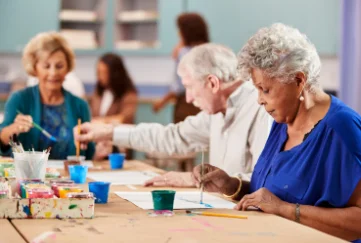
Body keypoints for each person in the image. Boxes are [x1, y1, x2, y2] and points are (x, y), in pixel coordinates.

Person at [192, 23, 361, 242]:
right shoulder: (283, 120)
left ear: (299, 81)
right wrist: (231, 186)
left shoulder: (342, 128)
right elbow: (271, 194)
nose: (259, 100)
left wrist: (286, 210)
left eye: (266, 89)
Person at [74, 43, 270, 186]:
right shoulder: (217, 112)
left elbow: (264, 181)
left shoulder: (261, 110)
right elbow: (172, 137)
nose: (188, 98)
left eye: (189, 87)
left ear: (212, 83)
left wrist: (195, 179)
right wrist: (109, 132)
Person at [0, 32, 95, 160]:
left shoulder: (80, 105)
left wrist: (98, 146)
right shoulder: (19, 100)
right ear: (35, 68)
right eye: (46, 66)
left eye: (59, 66)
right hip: (30, 178)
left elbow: (89, 154)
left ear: (68, 68)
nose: (53, 72)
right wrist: (13, 129)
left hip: (69, 179)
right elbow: (2, 140)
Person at [153, 13, 209, 123]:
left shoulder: (184, 53)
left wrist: (163, 101)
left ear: (186, 31)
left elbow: (180, 86)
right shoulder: (209, 50)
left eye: (180, 30)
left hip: (186, 105)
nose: (178, 33)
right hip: (205, 105)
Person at [90, 53, 137, 160]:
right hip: (99, 146)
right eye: (98, 72)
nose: (99, 76)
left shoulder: (128, 94)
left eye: (104, 72)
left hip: (119, 147)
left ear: (114, 73)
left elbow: (123, 118)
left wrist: (98, 121)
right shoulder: (99, 93)